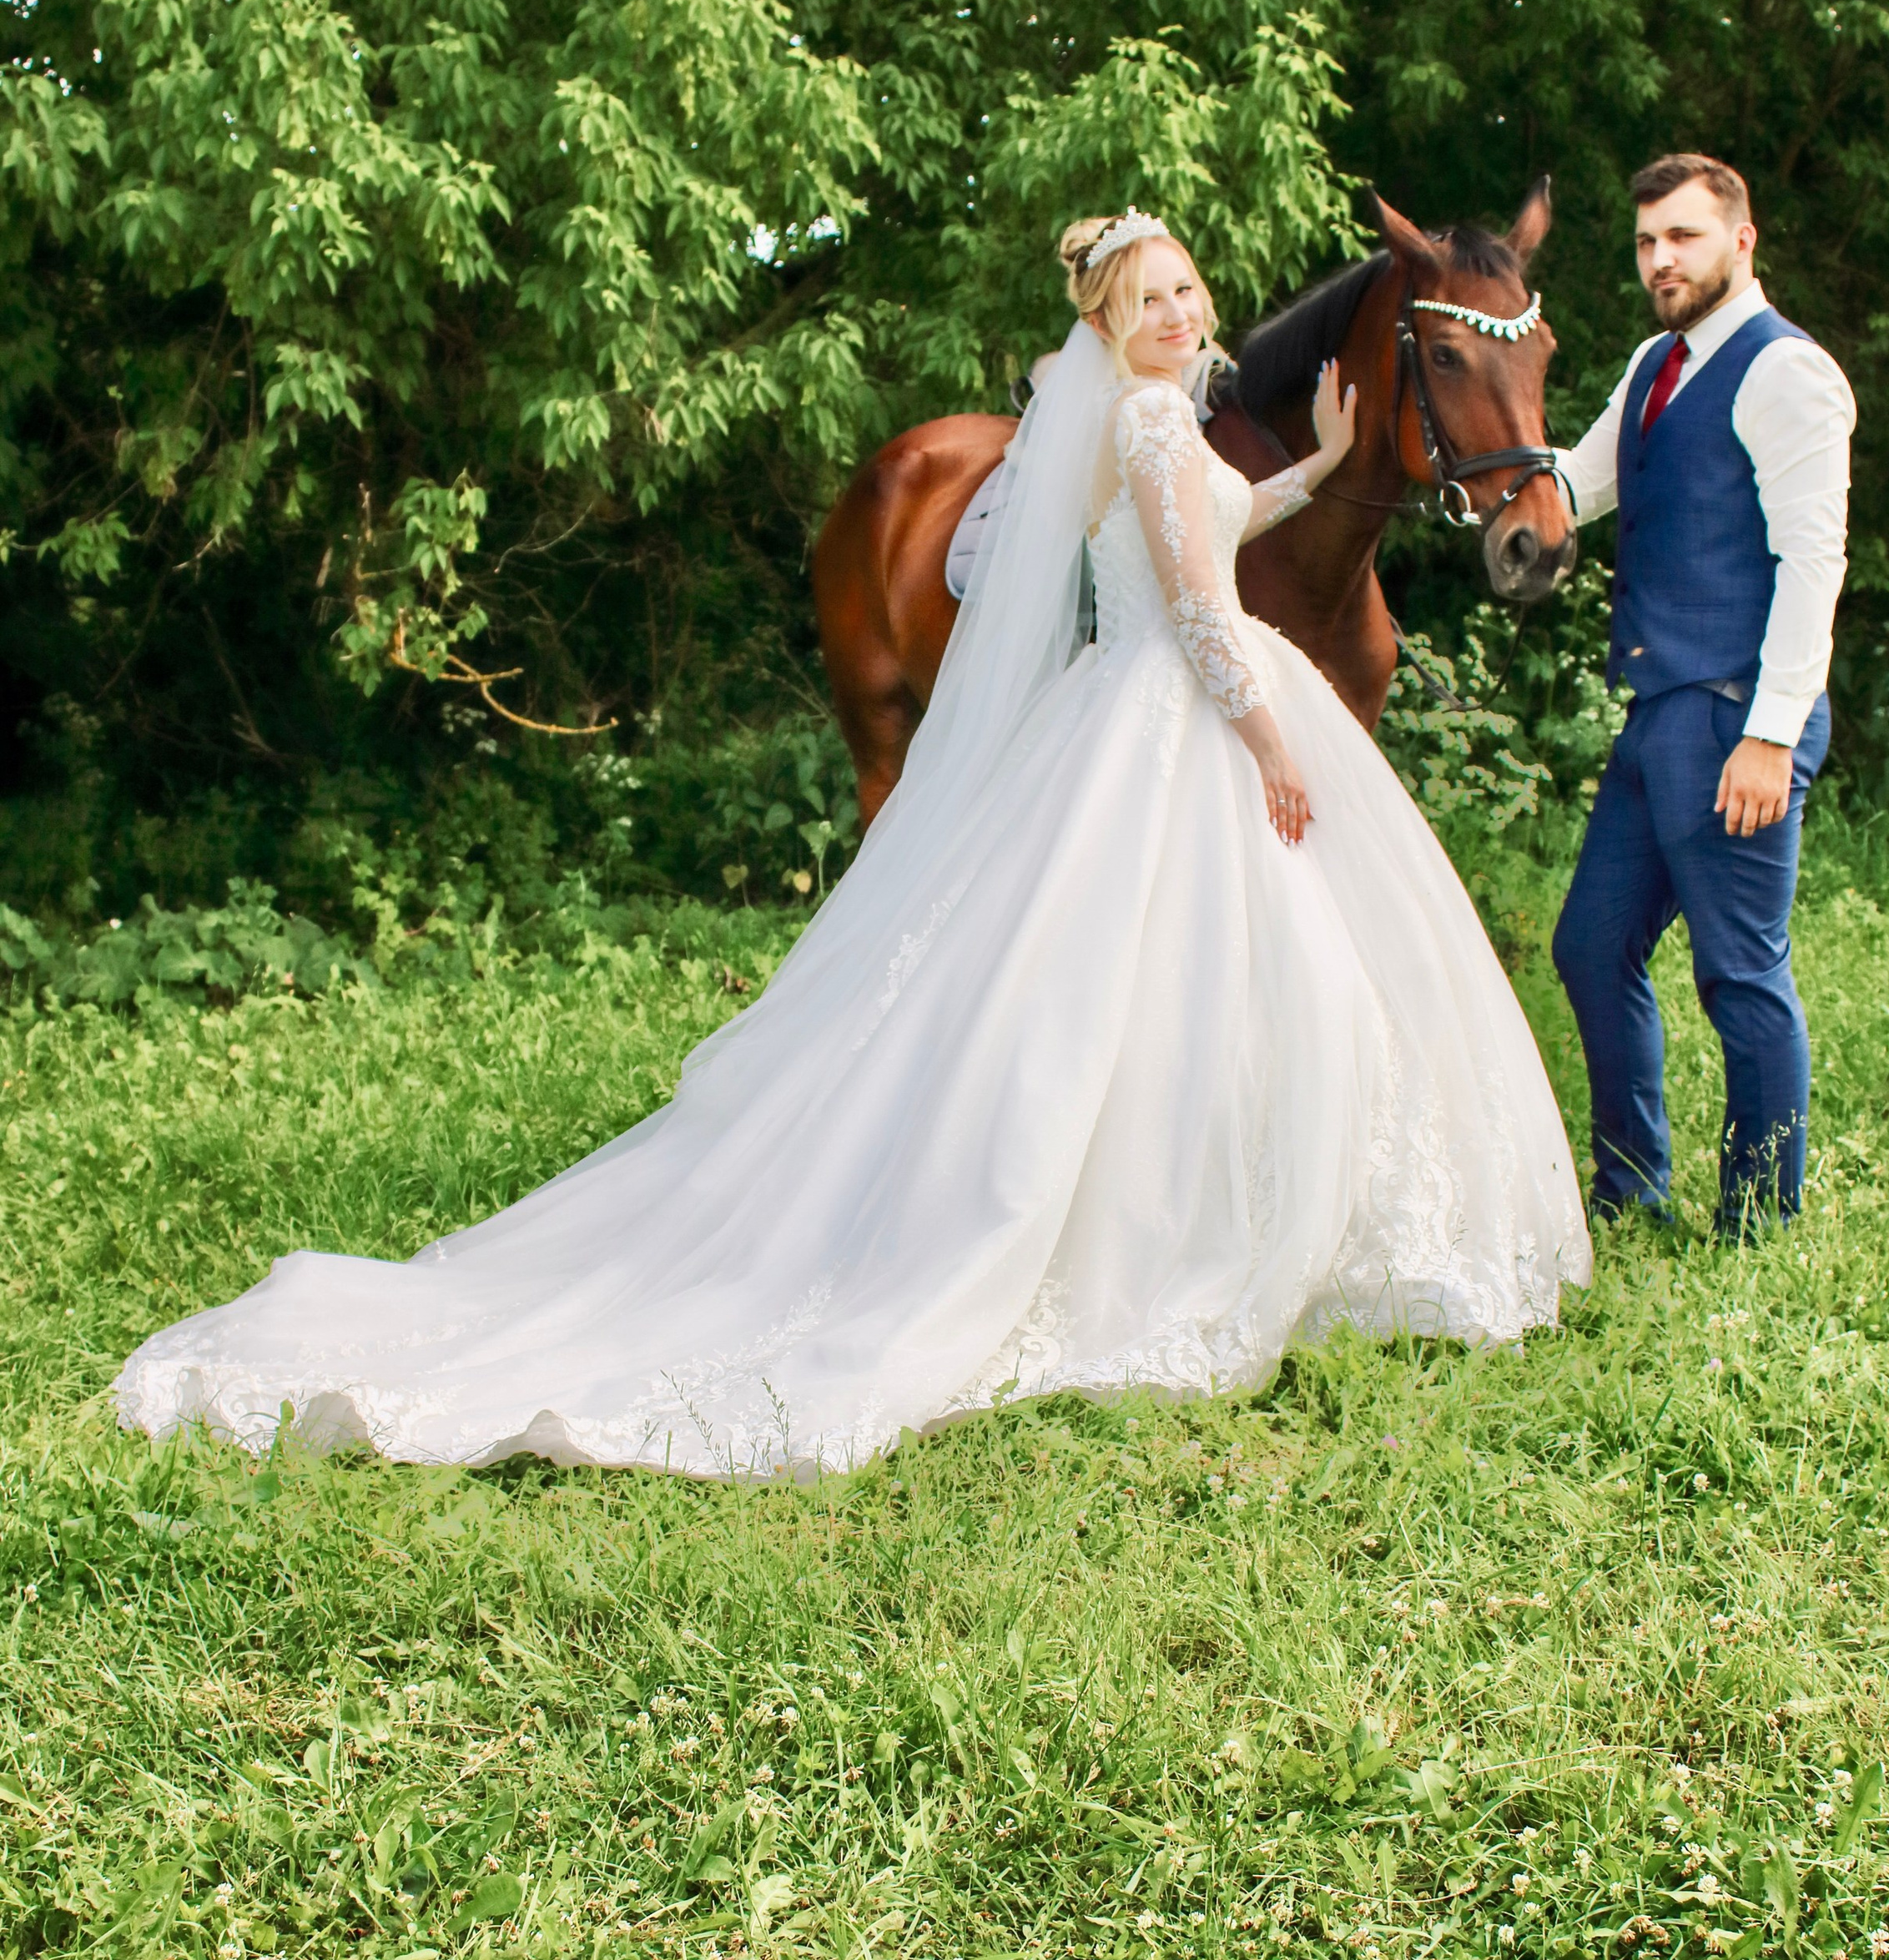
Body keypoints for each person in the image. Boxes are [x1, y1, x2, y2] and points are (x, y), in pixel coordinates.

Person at [114, 211, 1591, 1480]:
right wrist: (1273, 736)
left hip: (1172, 707)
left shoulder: (1166, 430)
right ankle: (1204, 1232)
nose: (1182, 317)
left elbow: (1205, 536)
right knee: (1187, 986)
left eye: (1191, 294)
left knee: (1213, 980)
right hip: (1184, 712)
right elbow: (1204, 612)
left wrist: (1318, 467)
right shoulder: (1147, 418)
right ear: (1106, 324)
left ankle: (1251, 1210)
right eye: (1152, 303)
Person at [1551, 153, 1855, 1233]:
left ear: (1742, 240)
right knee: (1590, 947)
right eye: (1645, 242)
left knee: (1740, 975)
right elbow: (1572, 489)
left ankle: (1760, 1224)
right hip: (1654, 717)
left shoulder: (1786, 372)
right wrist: (1451, 456)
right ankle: (1633, 1192)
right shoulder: (1654, 364)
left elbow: (1814, 565)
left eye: (1682, 236)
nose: (1660, 259)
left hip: (1735, 715)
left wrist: (1770, 738)